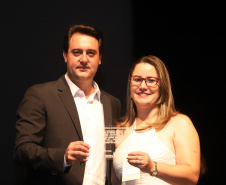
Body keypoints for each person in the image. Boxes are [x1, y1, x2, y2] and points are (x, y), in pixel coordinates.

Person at [14, 24, 121, 185]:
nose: (84, 59)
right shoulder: (40, 95)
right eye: (77, 52)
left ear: (99, 59)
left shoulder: (112, 103)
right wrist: (62, 157)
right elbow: (22, 150)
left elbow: (110, 156)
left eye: (91, 53)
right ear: (65, 55)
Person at [112, 55, 200, 185]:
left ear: (162, 87)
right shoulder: (120, 130)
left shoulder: (179, 123)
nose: (143, 86)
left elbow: (192, 175)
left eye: (151, 80)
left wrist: (152, 166)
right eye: (137, 79)